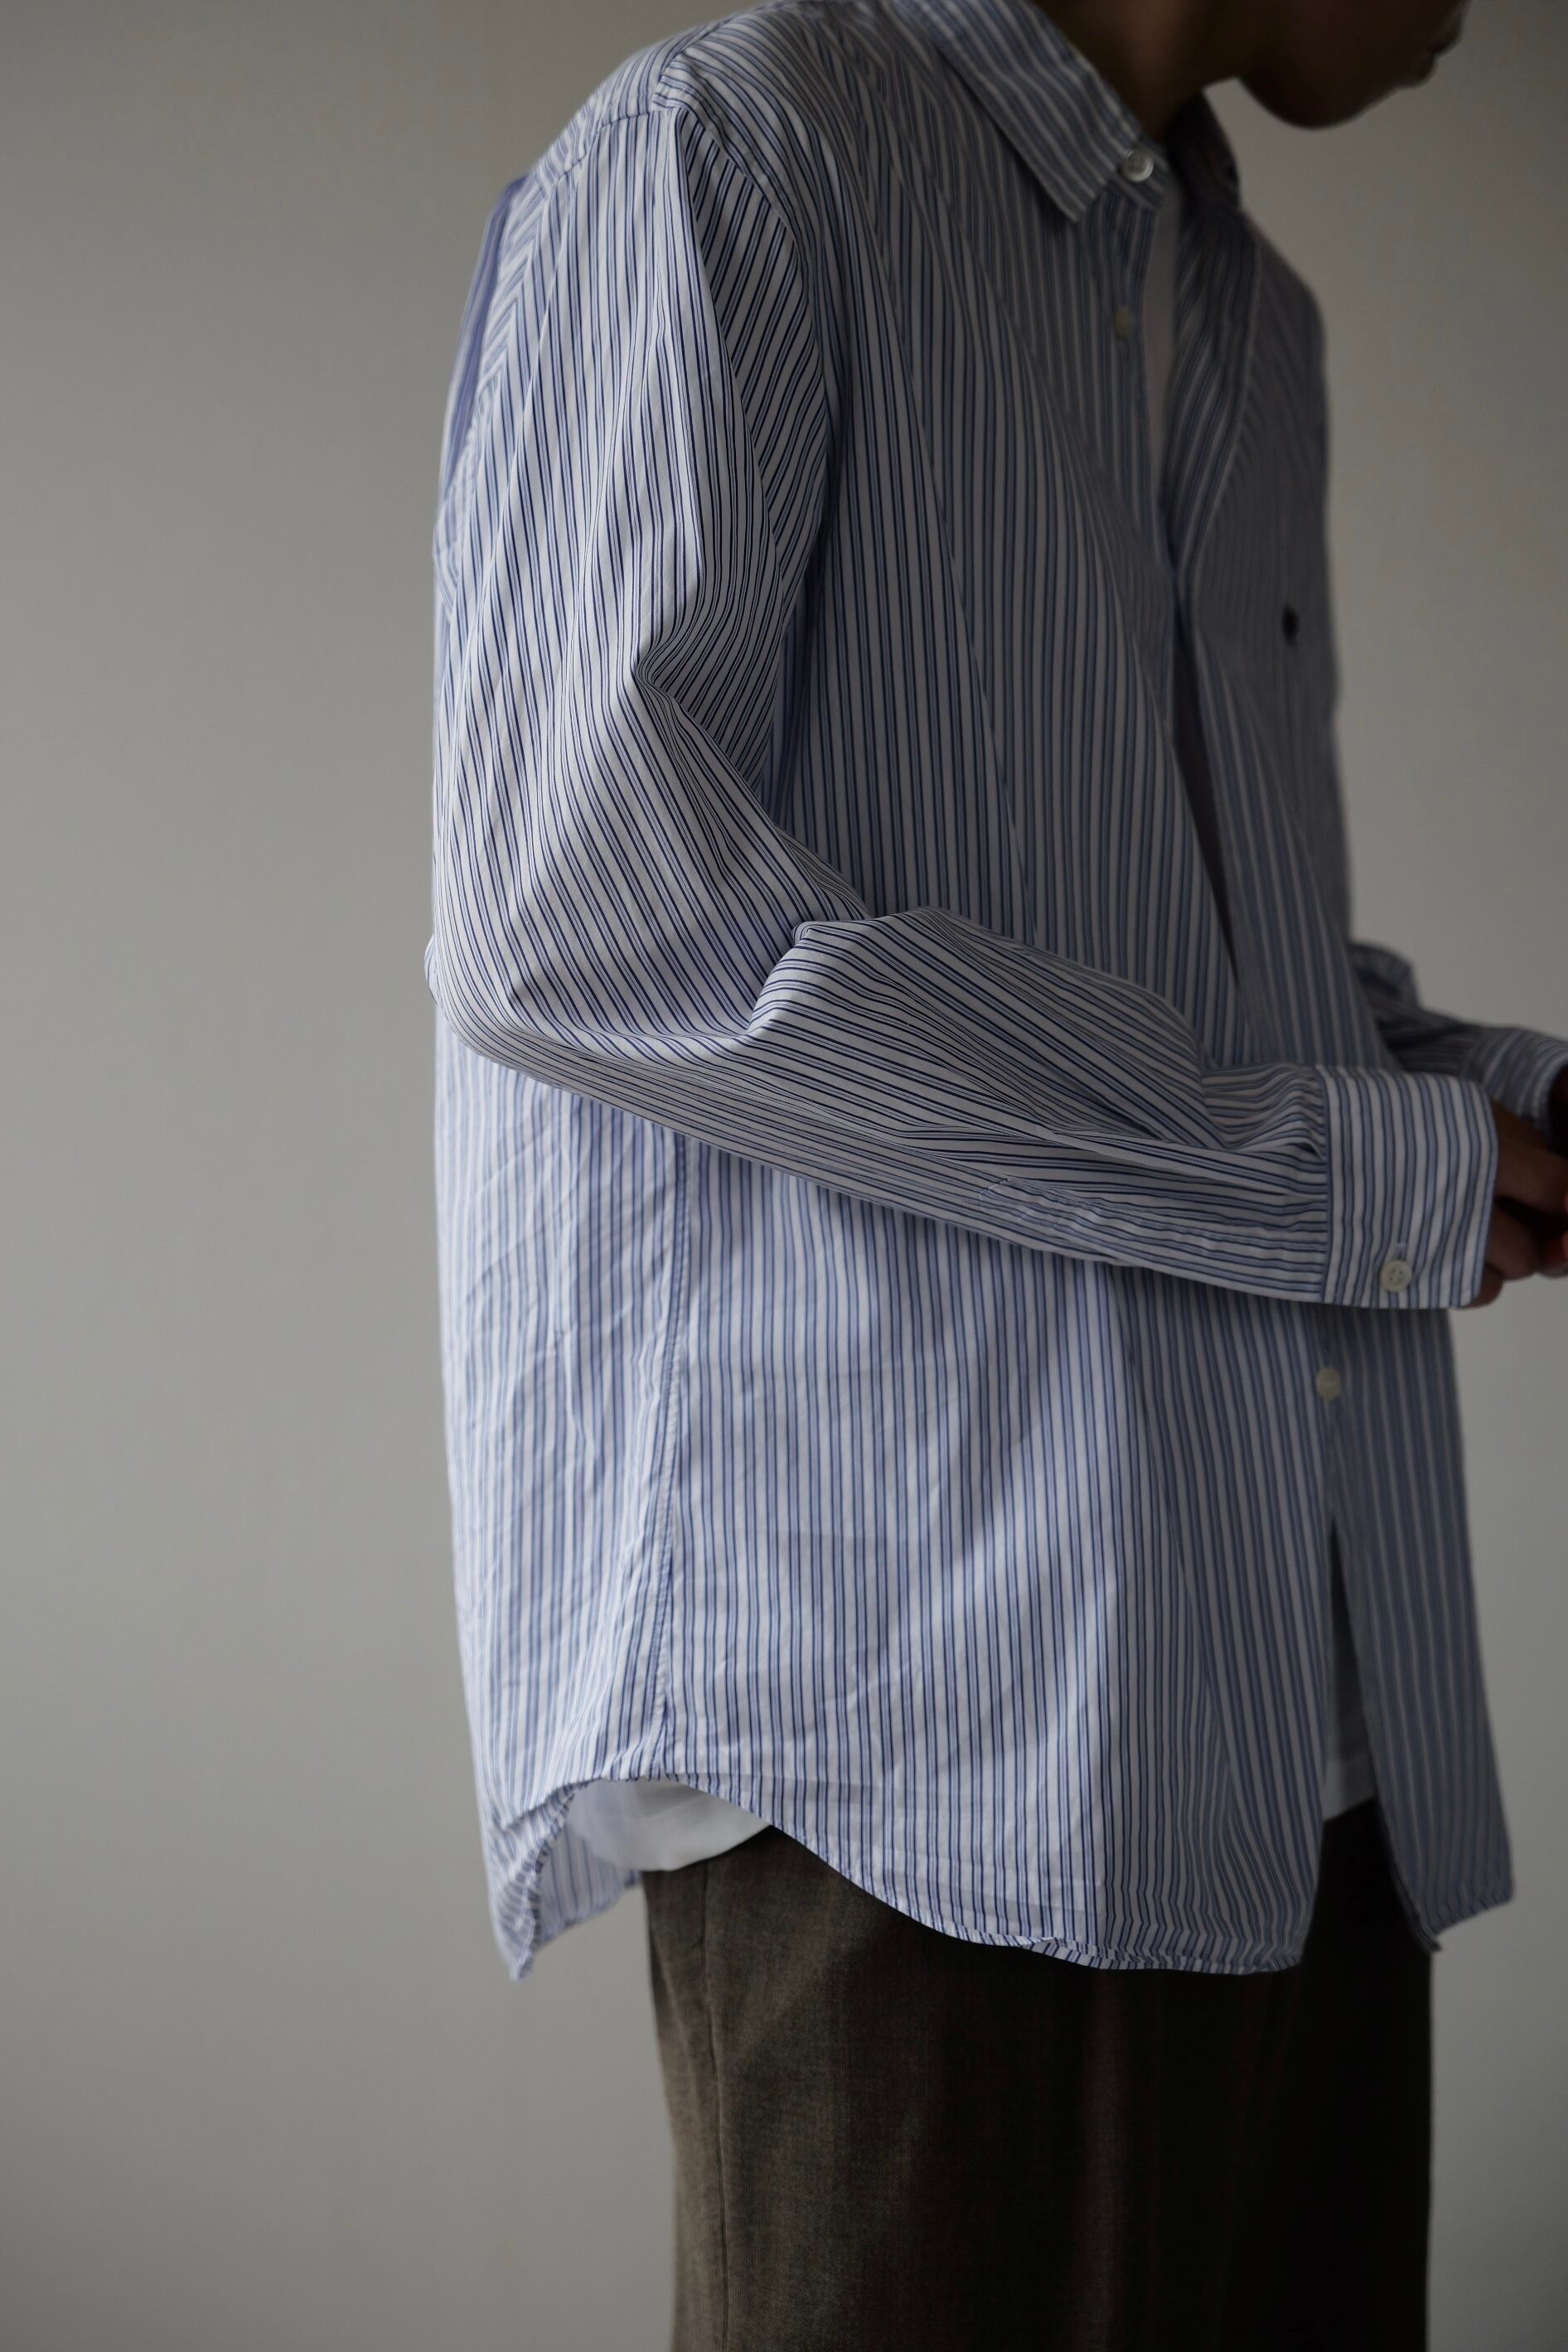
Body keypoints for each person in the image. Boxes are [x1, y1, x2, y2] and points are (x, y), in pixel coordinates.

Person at [425, 0, 1568, 2342]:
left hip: (1307, 1740)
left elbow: (1211, 979)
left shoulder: (1241, 308)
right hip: (923, 1755)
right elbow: (582, 913)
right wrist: (1336, 1174)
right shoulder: (738, 160)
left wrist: (1485, 1102)